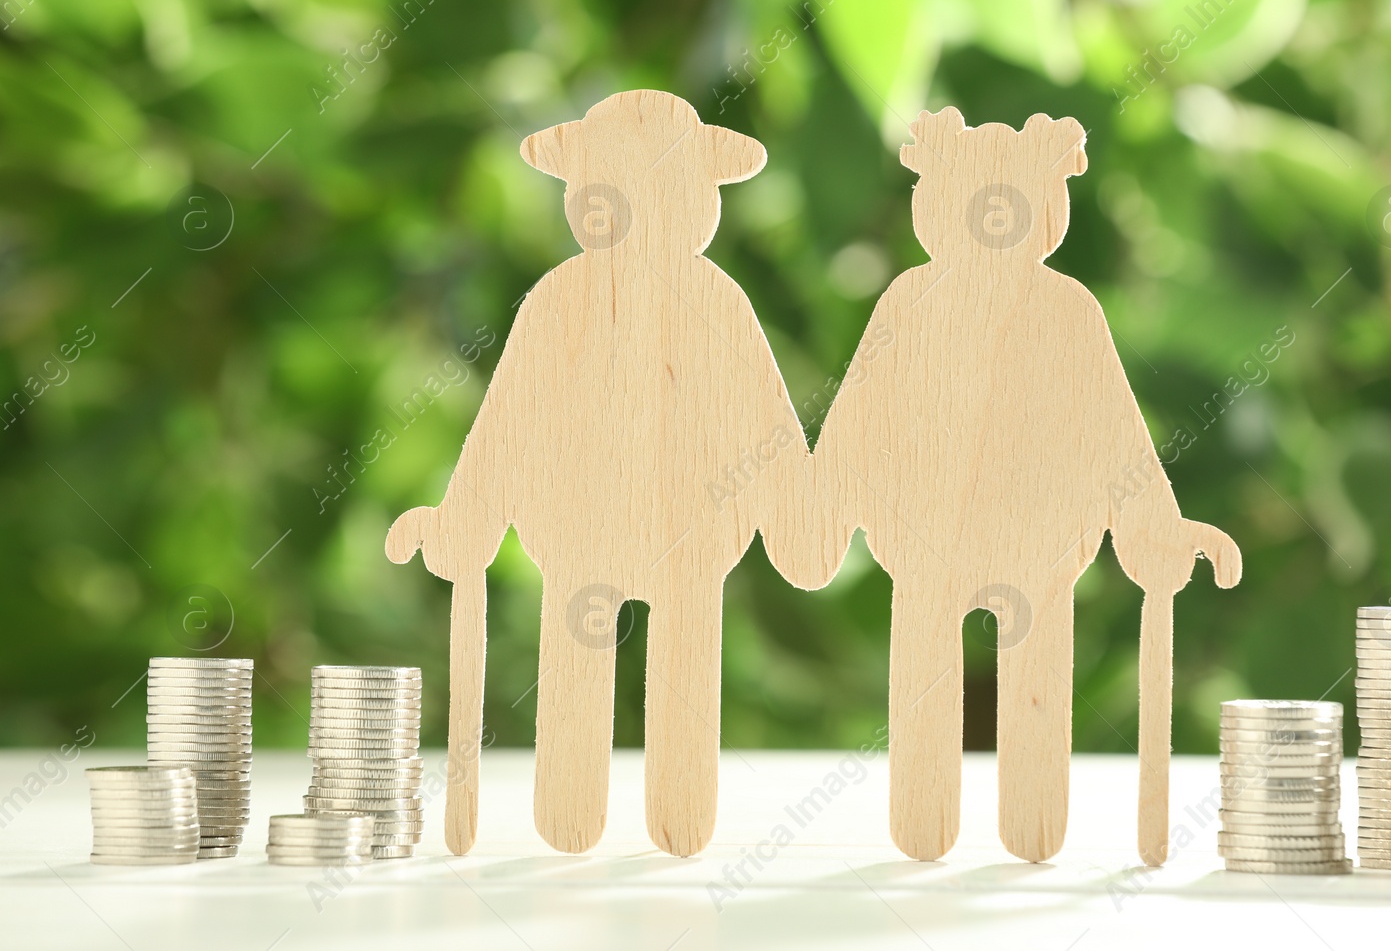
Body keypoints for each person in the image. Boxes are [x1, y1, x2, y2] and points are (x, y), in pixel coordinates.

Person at [771, 106, 1240, 862]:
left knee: (1037, 690)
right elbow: (861, 416)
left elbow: (1114, 433)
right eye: (977, 200)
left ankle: (1033, 825)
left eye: (1010, 202)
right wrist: (820, 509)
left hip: (1040, 551)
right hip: (924, 547)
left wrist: (1157, 525)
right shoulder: (908, 306)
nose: (993, 217)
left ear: (1043, 212)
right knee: (924, 684)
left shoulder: (1068, 310)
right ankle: (924, 825)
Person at [387, 90, 807, 857]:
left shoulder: (716, 300)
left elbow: (767, 421)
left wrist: (796, 514)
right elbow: (509, 420)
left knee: (684, 667)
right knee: (576, 667)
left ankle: (680, 814)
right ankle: (570, 813)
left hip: (693, 535)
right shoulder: (558, 300)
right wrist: (465, 517)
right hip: (578, 529)